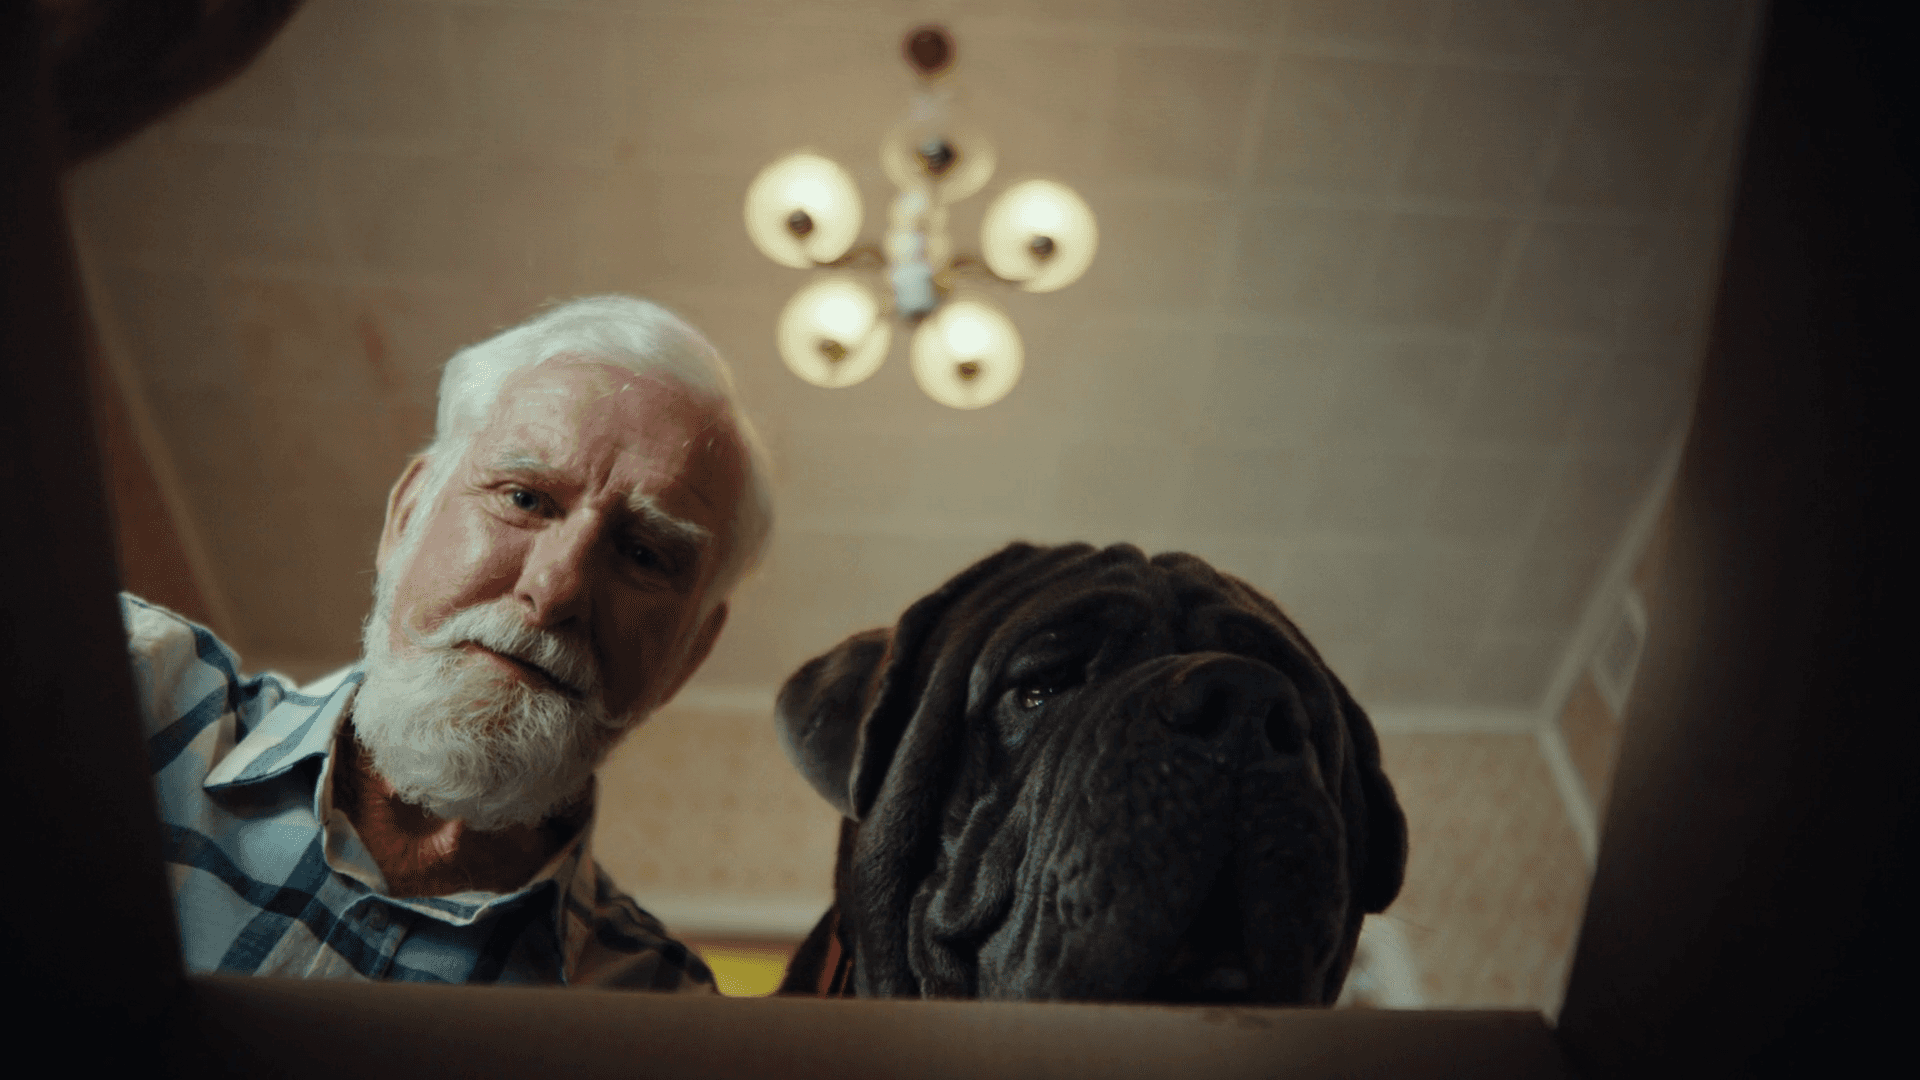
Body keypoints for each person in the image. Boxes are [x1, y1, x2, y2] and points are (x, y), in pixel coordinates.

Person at [125, 295, 772, 988]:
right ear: (407, 515)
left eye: (643, 554)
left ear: (687, 658)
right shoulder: (125, 684)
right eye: (524, 498)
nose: (554, 590)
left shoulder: (659, 1013)